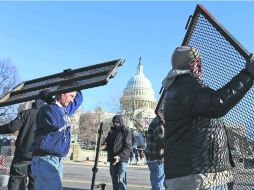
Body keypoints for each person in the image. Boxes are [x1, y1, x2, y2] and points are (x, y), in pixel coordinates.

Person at [162, 46, 254, 190]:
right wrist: (248, 74)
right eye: (198, 62)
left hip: (189, 173)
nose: (201, 67)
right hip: (202, 176)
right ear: (193, 64)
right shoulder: (187, 85)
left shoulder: (175, 88)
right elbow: (217, 104)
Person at [30, 90, 83, 190]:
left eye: (73, 97)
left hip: (57, 159)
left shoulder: (64, 109)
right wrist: (51, 101)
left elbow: (79, 99)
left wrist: (74, 78)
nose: (72, 100)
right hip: (45, 158)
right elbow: (56, 123)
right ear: (62, 93)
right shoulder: (47, 108)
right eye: (71, 96)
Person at [0, 101, 38, 190]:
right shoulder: (46, 115)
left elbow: (13, 126)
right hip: (37, 154)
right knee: (34, 180)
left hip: (22, 153)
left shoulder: (27, 113)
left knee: (15, 178)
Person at [101, 115, 132, 190]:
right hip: (112, 159)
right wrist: (104, 147)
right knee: (114, 178)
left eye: (117, 122)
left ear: (121, 122)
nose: (115, 124)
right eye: (114, 122)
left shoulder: (126, 131)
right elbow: (107, 144)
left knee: (121, 179)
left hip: (121, 160)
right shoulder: (111, 132)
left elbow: (127, 147)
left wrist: (119, 156)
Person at [145, 116, 165, 190]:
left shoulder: (159, 120)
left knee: (157, 185)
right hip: (156, 158)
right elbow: (161, 139)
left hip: (155, 157)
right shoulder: (159, 121)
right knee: (158, 186)